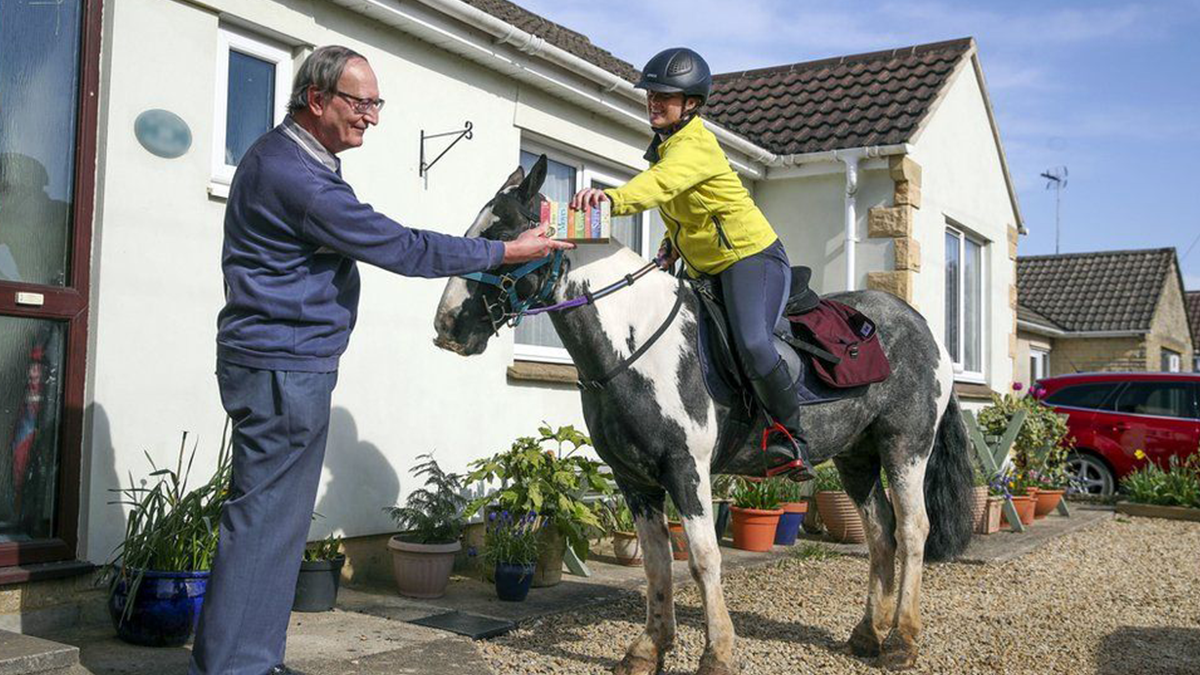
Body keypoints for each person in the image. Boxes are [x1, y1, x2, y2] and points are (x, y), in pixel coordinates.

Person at [191, 46, 571, 675]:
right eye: (360, 102)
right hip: (285, 368)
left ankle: (249, 659)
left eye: (377, 103)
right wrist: (499, 251)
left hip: (281, 363)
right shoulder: (298, 176)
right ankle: (236, 667)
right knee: (264, 527)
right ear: (317, 100)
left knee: (273, 528)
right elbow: (399, 246)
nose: (372, 117)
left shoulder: (288, 158)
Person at [572, 47, 813, 482]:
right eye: (651, 95)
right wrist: (672, 244)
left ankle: (792, 437)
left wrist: (607, 200)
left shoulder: (696, 144)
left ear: (692, 105)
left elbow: (660, 188)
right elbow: (686, 208)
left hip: (749, 259)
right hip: (705, 268)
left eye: (665, 96)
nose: (653, 102)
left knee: (754, 345)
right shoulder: (666, 147)